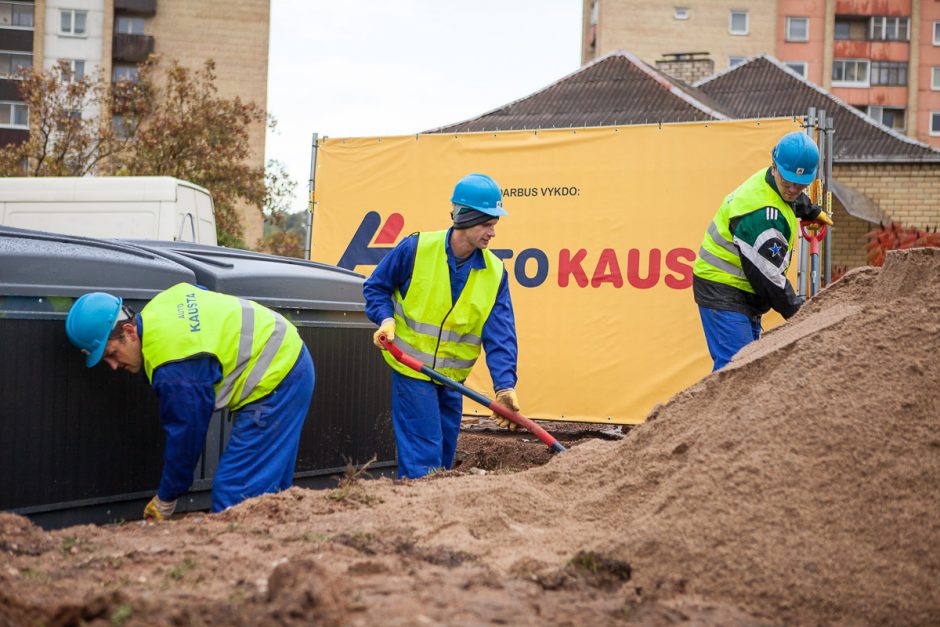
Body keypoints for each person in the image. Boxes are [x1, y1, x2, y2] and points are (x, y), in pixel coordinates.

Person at [64, 282, 315, 520]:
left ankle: (240, 561)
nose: (113, 365)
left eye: (112, 354)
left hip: (279, 376)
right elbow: (202, 294)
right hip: (287, 356)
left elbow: (188, 434)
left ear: (129, 332)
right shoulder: (161, 306)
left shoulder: (175, 369)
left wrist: (167, 497)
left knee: (235, 494)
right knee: (266, 492)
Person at [363, 173, 519, 479]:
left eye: (494, 225)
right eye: (487, 224)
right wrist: (386, 319)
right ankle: (418, 520)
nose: (492, 233)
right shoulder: (415, 249)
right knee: (425, 455)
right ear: (466, 219)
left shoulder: (494, 273)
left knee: (445, 455)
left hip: (451, 382)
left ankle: (433, 516)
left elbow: (501, 335)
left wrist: (505, 387)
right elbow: (376, 288)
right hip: (412, 371)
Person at [692, 131, 833, 371]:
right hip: (723, 289)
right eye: (787, 181)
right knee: (738, 369)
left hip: (745, 289)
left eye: (800, 185)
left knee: (747, 364)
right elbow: (769, 280)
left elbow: (788, 197)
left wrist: (809, 210)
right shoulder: (758, 214)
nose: (792, 189)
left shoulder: (775, 184)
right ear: (774, 167)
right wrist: (801, 315)